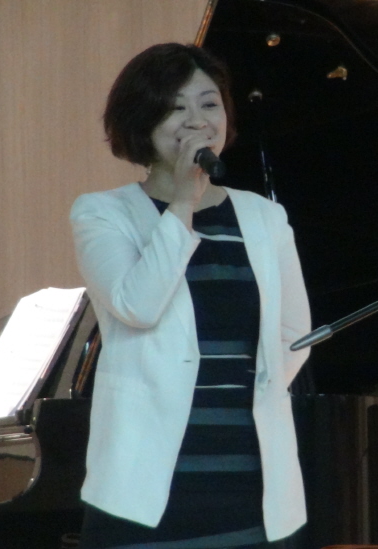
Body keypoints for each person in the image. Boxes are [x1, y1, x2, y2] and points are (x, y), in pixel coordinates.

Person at [69, 43, 312, 549]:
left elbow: (294, 335)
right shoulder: (102, 213)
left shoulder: (265, 217)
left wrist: (253, 394)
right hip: (142, 484)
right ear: (142, 121)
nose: (197, 120)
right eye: (176, 107)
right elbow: (137, 306)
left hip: (250, 479)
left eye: (209, 104)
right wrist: (183, 201)